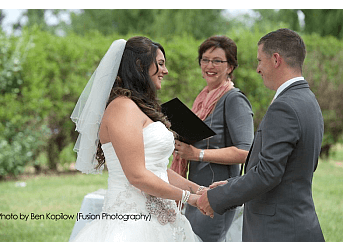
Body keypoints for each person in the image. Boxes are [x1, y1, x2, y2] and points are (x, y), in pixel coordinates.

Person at [70, 36, 203, 242]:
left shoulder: (138, 107)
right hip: (132, 224)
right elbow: (137, 176)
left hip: (162, 219)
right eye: (160, 64)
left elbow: (155, 168)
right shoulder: (122, 108)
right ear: (140, 66)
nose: (165, 71)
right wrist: (189, 198)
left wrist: (198, 189)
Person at [197, 28, 325, 242]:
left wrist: (216, 197)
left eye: (259, 61)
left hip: (277, 231)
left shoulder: (285, 106)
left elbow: (267, 173)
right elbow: (287, 170)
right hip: (297, 224)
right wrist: (231, 185)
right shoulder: (308, 100)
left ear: (276, 59)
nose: (257, 69)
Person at [171, 35, 254, 242]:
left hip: (217, 194)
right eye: (205, 60)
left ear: (230, 67)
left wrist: (196, 153)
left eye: (217, 61)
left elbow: (246, 152)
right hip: (194, 189)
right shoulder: (203, 99)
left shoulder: (233, 99)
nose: (210, 65)